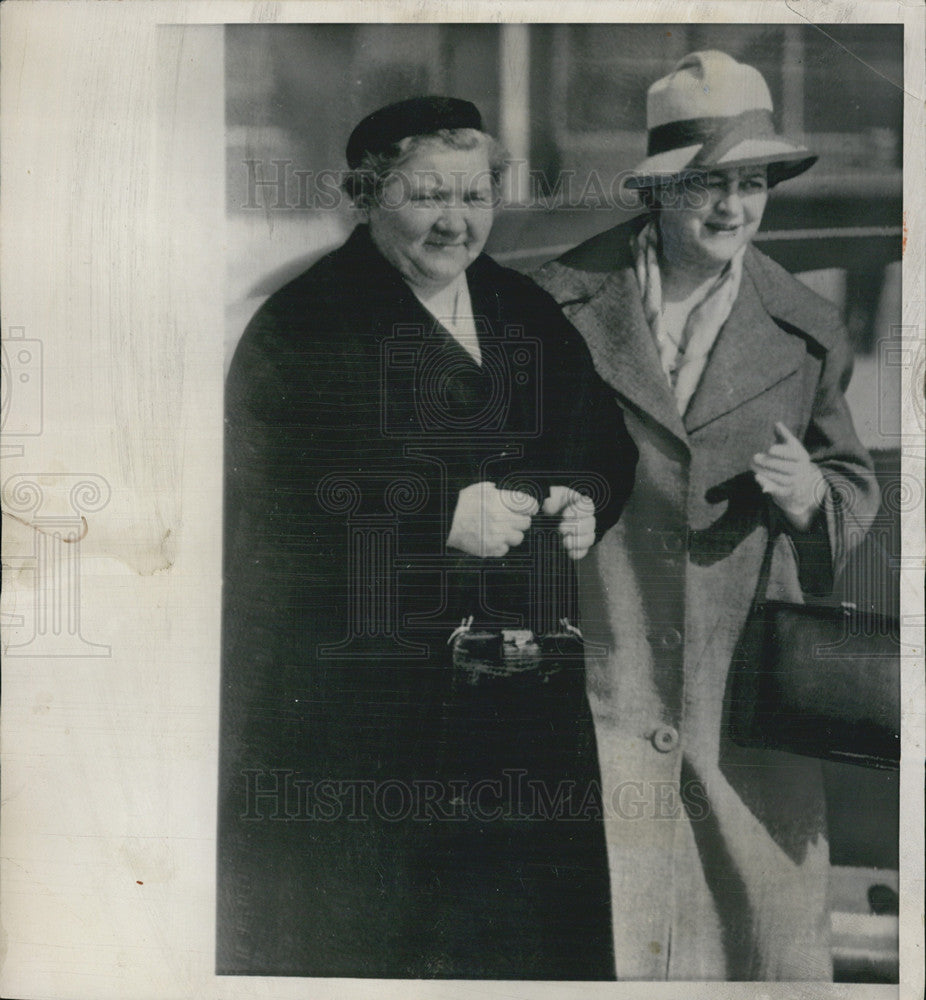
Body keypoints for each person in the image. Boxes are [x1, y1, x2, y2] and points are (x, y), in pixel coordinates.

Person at [218, 96, 637, 979]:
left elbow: (599, 438)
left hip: (524, 709)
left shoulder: (521, 307)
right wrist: (437, 510)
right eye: (428, 196)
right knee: (382, 949)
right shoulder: (301, 327)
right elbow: (268, 498)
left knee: (528, 951)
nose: (457, 221)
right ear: (366, 196)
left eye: (476, 195)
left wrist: (588, 496)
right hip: (368, 721)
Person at [534, 52, 880, 981]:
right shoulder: (558, 305)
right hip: (604, 671)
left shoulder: (805, 326)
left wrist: (813, 494)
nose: (734, 208)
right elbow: (506, 467)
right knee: (602, 933)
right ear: (659, 190)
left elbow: (852, 486)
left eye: (752, 182)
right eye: (709, 184)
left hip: (739, 706)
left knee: (750, 946)